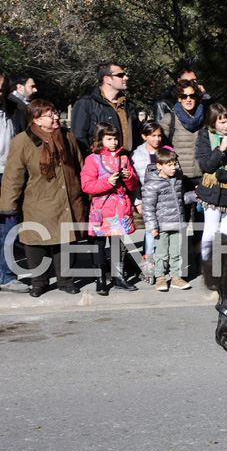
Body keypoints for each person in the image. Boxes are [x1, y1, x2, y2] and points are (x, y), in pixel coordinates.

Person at [0, 100, 86, 296]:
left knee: (66, 239)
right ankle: (39, 281)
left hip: (67, 197)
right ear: (37, 120)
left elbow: (79, 165)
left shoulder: (67, 136)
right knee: (36, 241)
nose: (56, 116)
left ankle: (66, 280)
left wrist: (84, 192)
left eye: (55, 112)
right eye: (50, 115)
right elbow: (13, 176)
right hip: (38, 199)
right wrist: (7, 205)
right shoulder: (22, 141)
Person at [80, 122, 140, 295]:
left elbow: (134, 184)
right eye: (109, 139)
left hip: (119, 208)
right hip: (101, 208)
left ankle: (118, 277)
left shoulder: (124, 158)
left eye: (116, 139)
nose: (114, 142)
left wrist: (129, 178)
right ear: (100, 139)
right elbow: (87, 185)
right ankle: (100, 278)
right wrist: (107, 182)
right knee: (99, 244)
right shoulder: (93, 159)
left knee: (116, 244)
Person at [195, 103, 227, 260]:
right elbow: (206, 165)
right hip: (212, 191)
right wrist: (221, 150)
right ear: (212, 123)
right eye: (222, 122)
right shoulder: (204, 136)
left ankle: (225, 266)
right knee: (210, 231)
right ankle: (206, 266)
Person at [142, 147, 193, 291]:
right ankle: (160, 277)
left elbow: (179, 199)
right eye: (169, 165)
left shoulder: (176, 180)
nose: (174, 167)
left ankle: (176, 277)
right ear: (159, 166)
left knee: (176, 252)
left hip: (177, 222)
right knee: (161, 253)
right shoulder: (152, 184)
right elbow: (148, 207)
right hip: (162, 225)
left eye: (175, 164)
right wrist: (152, 226)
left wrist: (193, 196)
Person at [0, 73, 30, 293]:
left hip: (8, 175)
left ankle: (7, 276)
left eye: (2, 88)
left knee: (8, 227)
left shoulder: (15, 109)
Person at [70, 61, 140, 154]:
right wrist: (95, 162)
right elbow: (79, 138)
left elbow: (136, 137)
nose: (126, 78)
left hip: (126, 164)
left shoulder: (129, 105)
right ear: (107, 79)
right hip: (98, 165)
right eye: (120, 75)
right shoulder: (85, 103)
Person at [131, 122, 164, 282]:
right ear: (144, 136)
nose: (157, 139)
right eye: (153, 136)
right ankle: (148, 266)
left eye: (159, 136)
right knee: (150, 233)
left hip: (165, 201)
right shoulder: (137, 155)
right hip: (147, 200)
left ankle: (163, 265)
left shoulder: (166, 152)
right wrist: (138, 202)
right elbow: (135, 182)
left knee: (164, 233)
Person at [159, 79, 206, 189]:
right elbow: (157, 145)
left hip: (204, 176)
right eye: (184, 96)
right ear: (179, 98)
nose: (188, 99)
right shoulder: (170, 119)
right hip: (179, 177)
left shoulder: (206, 118)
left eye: (192, 96)